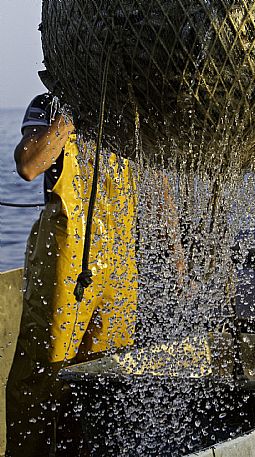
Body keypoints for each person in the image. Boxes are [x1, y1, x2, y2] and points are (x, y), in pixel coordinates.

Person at [6, 93, 138, 456]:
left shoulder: (129, 105)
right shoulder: (51, 105)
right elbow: (29, 165)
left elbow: (156, 184)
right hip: (66, 257)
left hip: (120, 261)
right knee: (44, 371)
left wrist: (175, 252)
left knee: (108, 375)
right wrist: (69, 117)